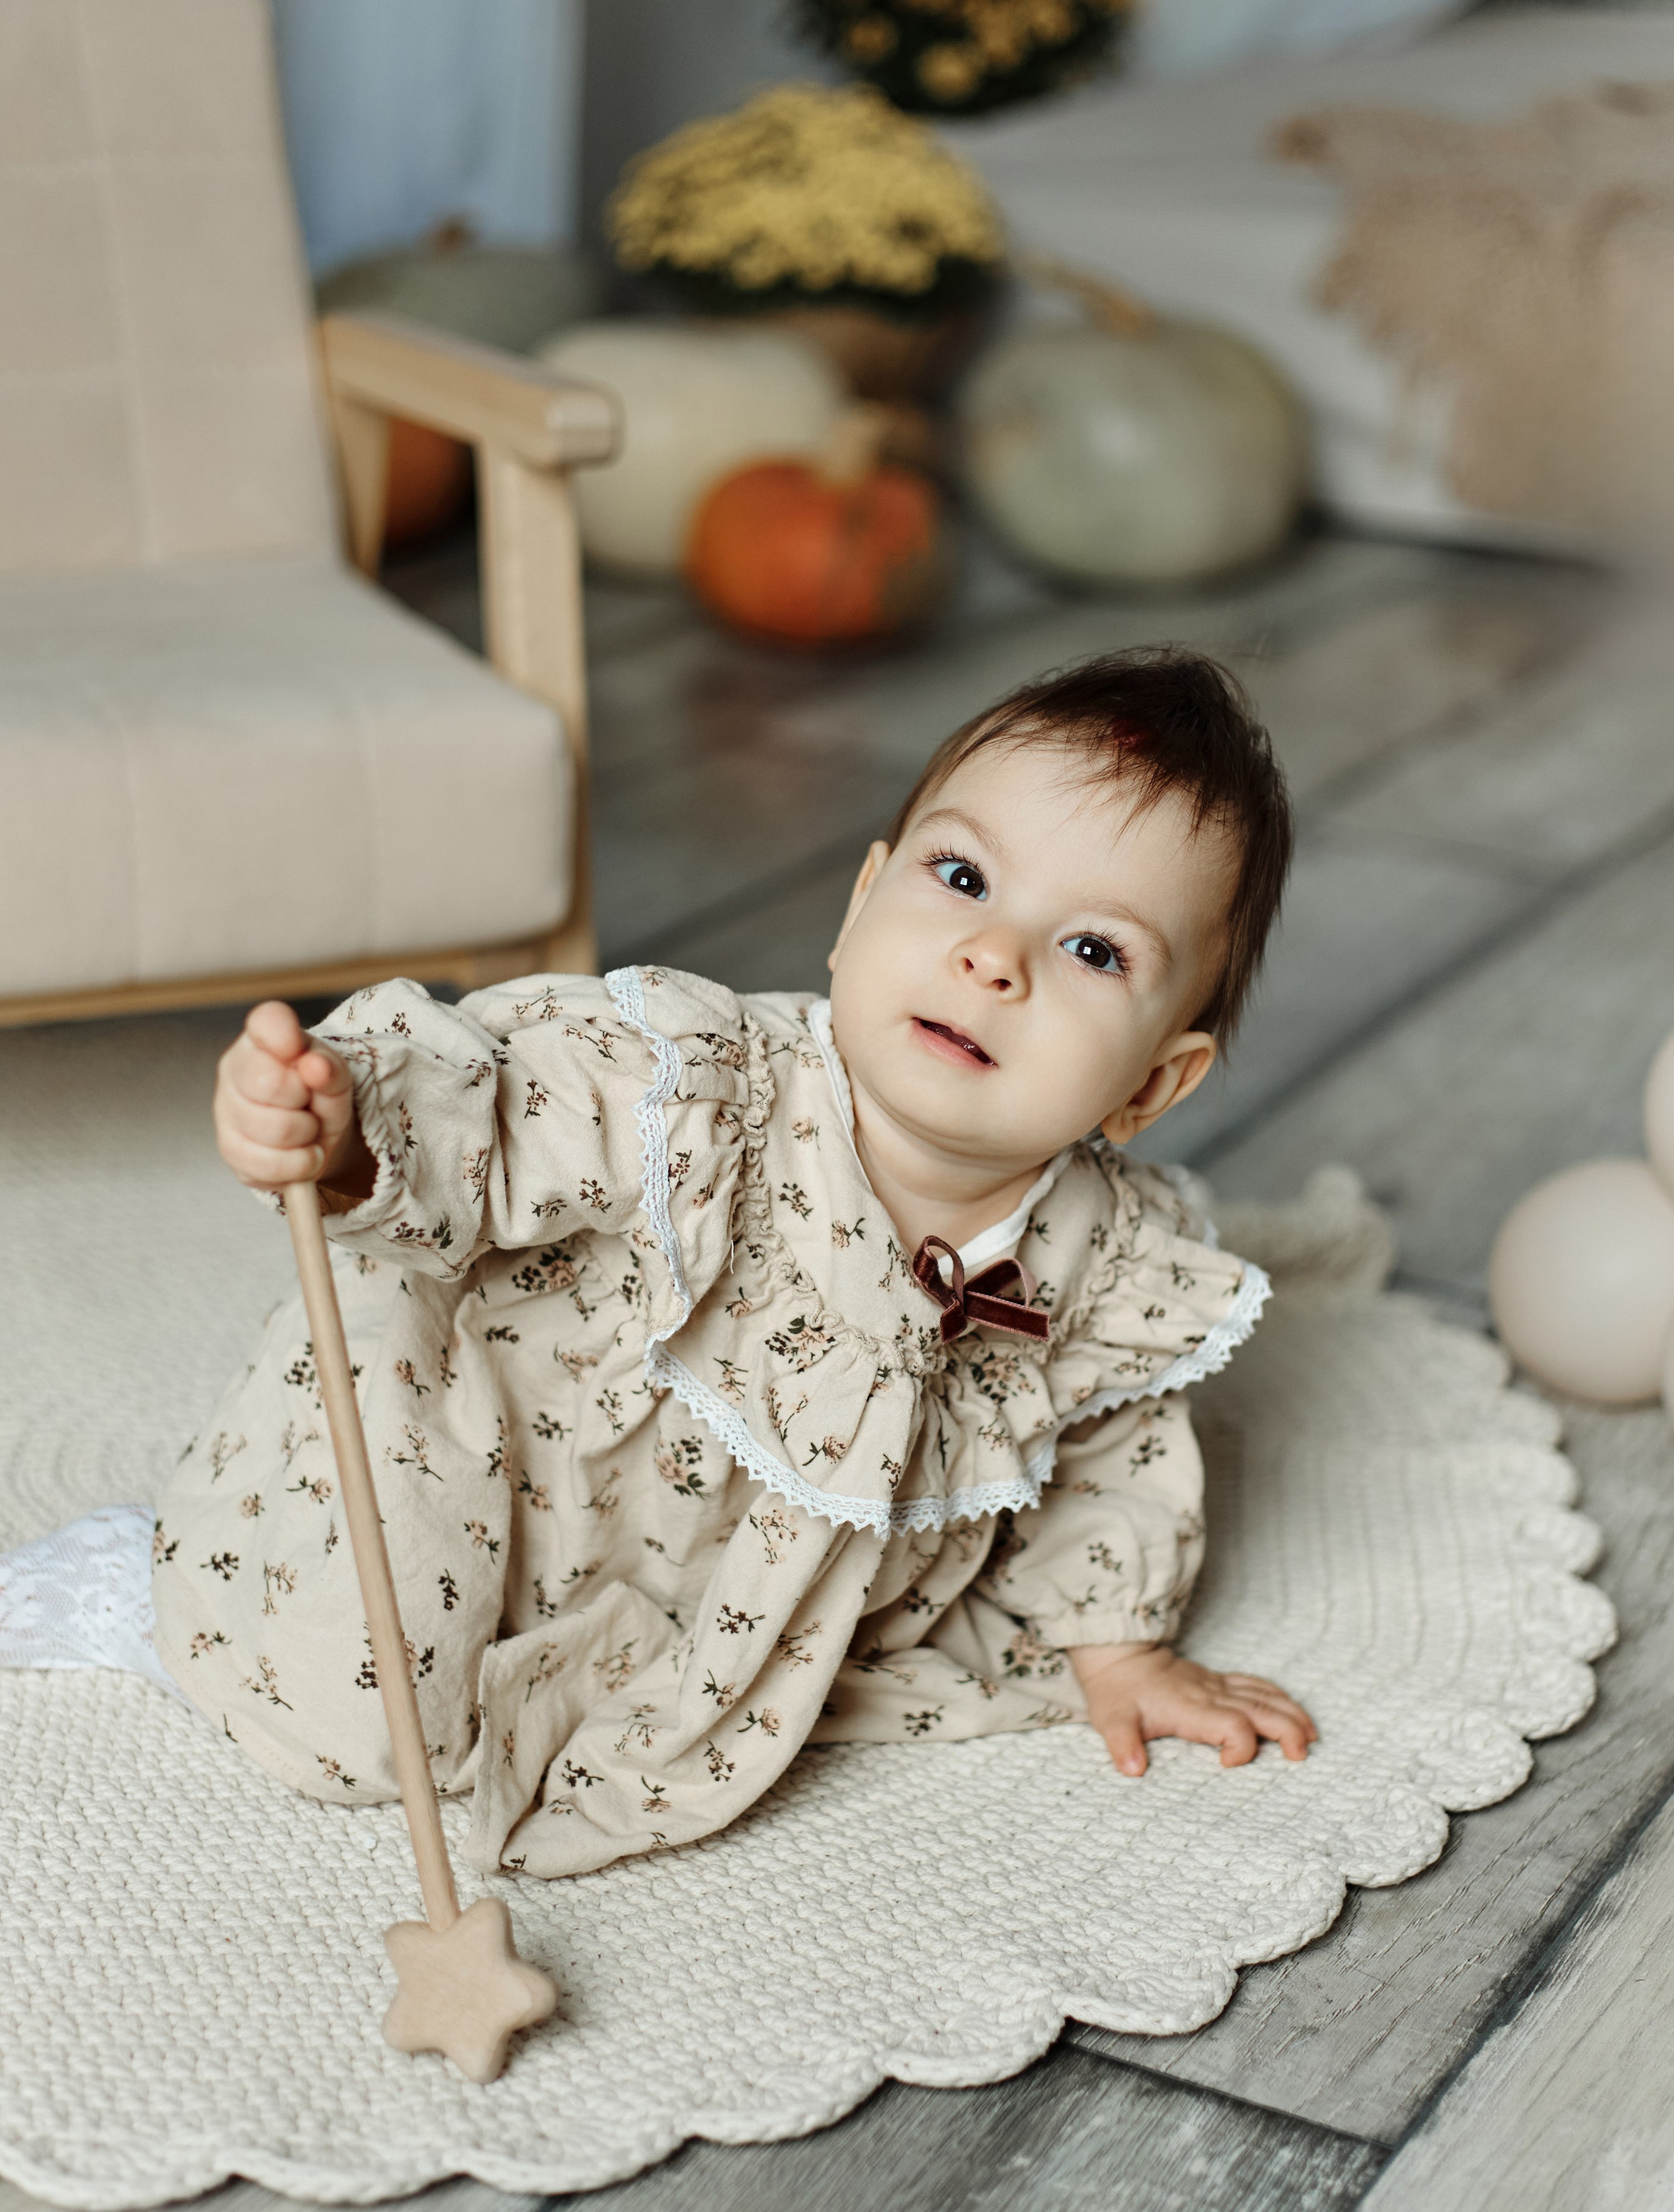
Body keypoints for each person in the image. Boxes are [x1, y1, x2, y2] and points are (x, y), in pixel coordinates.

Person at [152, 646, 1317, 1879]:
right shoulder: (699, 1088)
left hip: (713, 1596)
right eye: (963, 876)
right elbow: (503, 1106)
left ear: (1152, 1082)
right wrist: (347, 1133)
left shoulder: (1105, 1254)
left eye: (1094, 950)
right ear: (860, 905)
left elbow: (1107, 1458)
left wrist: (1118, 1647)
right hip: (496, 1452)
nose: (994, 955)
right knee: (350, 1715)